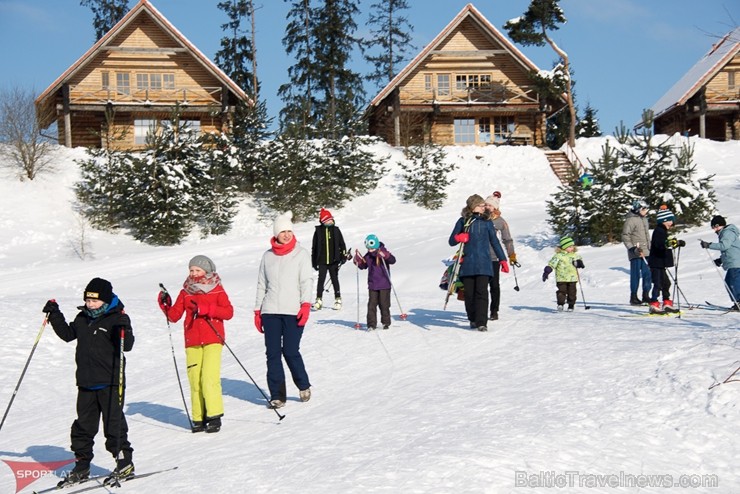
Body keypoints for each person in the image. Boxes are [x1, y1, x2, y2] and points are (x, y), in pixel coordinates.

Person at [42, 278, 135, 487]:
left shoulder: (117, 318)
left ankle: (124, 463)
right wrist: (55, 314)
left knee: (113, 425)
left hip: (110, 381)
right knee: (82, 427)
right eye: (87, 300)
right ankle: (81, 466)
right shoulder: (83, 318)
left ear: (106, 300)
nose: (90, 304)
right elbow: (67, 334)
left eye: (94, 301)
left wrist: (125, 329)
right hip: (85, 382)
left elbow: (127, 346)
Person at [158, 255, 234, 433]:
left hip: (213, 338)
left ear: (206, 271)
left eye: (197, 270)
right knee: (195, 380)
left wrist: (207, 310)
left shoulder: (217, 289)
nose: (194, 273)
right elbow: (174, 316)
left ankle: (214, 416)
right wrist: (165, 305)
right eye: (191, 270)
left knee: (209, 377)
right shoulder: (186, 291)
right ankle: (198, 418)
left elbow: (228, 312)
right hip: (192, 340)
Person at [254, 211, 313, 409]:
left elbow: (306, 281)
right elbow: (261, 284)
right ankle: (277, 395)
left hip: (293, 310)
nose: (286, 235)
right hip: (270, 311)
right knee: (272, 354)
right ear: (276, 233)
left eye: (289, 231)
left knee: (290, 350)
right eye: (283, 231)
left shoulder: (301, 253)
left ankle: (303, 384)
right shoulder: (268, 256)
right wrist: (257, 310)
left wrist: (306, 305)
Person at [449, 194, 507, 331]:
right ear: (473, 206)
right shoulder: (463, 221)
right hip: (468, 263)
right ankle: (472, 319)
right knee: (469, 294)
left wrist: (503, 259)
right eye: (481, 205)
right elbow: (451, 241)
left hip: (484, 263)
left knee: (482, 292)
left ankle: (482, 322)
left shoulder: (487, 222)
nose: (484, 207)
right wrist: (459, 237)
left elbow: (495, 241)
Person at [484, 192, 517, 321]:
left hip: (494, 258)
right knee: (481, 286)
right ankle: (481, 310)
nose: (487, 207)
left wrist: (511, 255)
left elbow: (507, 239)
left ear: (495, 208)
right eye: (485, 204)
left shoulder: (500, 222)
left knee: (494, 285)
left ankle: (494, 310)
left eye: (489, 205)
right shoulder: (479, 219)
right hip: (480, 257)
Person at [354, 234, 397, 330]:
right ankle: (371, 324)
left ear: (376, 245)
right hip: (372, 285)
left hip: (384, 284)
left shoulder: (383, 252)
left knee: (384, 304)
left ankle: (386, 323)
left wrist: (386, 256)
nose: (369, 250)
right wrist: (358, 261)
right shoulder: (368, 256)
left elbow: (393, 260)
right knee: (371, 305)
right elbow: (363, 266)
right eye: (368, 248)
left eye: (371, 248)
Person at [700, 215, 740, 310]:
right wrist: (721, 260)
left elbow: (724, 246)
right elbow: (730, 250)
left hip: (735, 263)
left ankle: (738, 301)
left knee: (733, 283)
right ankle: (737, 302)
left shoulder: (727, 232)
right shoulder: (726, 233)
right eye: (713, 228)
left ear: (720, 225)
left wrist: (709, 245)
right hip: (733, 262)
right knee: (729, 282)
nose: (715, 230)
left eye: (715, 227)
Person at [311, 208, 348, 311]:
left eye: (331, 219)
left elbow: (342, 244)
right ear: (323, 221)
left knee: (334, 279)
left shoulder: (336, 230)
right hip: (322, 260)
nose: (330, 221)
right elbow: (314, 247)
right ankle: (318, 300)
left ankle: (338, 299)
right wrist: (314, 261)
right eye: (327, 220)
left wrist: (343, 256)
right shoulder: (318, 231)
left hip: (334, 260)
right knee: (321, 280)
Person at [647, 207, 680, 314]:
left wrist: (675, 243)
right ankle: (653, 304)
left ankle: (666, 303)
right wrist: (668, 243)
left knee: (666, 283)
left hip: (660, 263)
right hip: (656, 262)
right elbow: (659, 244)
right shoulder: (659, 231)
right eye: (670, 221)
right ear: (664, 221)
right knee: (658, 283)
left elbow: (666, 243)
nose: (672, 223)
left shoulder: (663, 231)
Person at [621, 199, 652, 305]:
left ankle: (646, 295)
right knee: (635, 275)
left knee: (647, 274)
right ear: (638, 209)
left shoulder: (645, 220)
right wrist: (632, 248)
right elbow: (625, 236)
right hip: (636, 252)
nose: (646, 211)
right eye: (644, 209)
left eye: (646, 209)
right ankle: (633, 296)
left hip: (646, 251)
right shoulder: (630, 220)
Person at [542, 237, 585, 311]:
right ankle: (560, 304)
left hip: (572, 278)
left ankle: (571, 305)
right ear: (564, 247)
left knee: (572, 293)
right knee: (561, 292)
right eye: (570, 247)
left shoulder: (575, 255)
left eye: (572, 246)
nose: (572, 248)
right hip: (561, 278)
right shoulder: (558, 256)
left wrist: (579, 263)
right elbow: (552, 264)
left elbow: (579, 261)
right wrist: (547, 272)